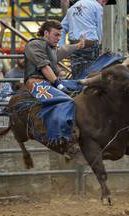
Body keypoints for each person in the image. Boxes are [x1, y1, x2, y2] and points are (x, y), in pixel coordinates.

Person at [24, 20, 85, 159]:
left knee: (83, 88)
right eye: (56, 35)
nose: (59, 38)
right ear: (46, 33)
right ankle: (66, 140)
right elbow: (44, 67)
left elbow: (62, 51)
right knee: (67, 100)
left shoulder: (50, 48)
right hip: (36, 82)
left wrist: (79, 45)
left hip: (49, 82)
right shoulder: (34, 44)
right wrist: (59, 84)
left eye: (60, 35)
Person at [60, 0, 105, 79]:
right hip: (90, 44)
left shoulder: (72, 8)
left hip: (74, 45)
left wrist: (62, 46)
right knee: (90, 75)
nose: (104, 4)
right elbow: (99, 27)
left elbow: (62, 28)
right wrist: (100, 44)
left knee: (77, 75)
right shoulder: (97, 6)